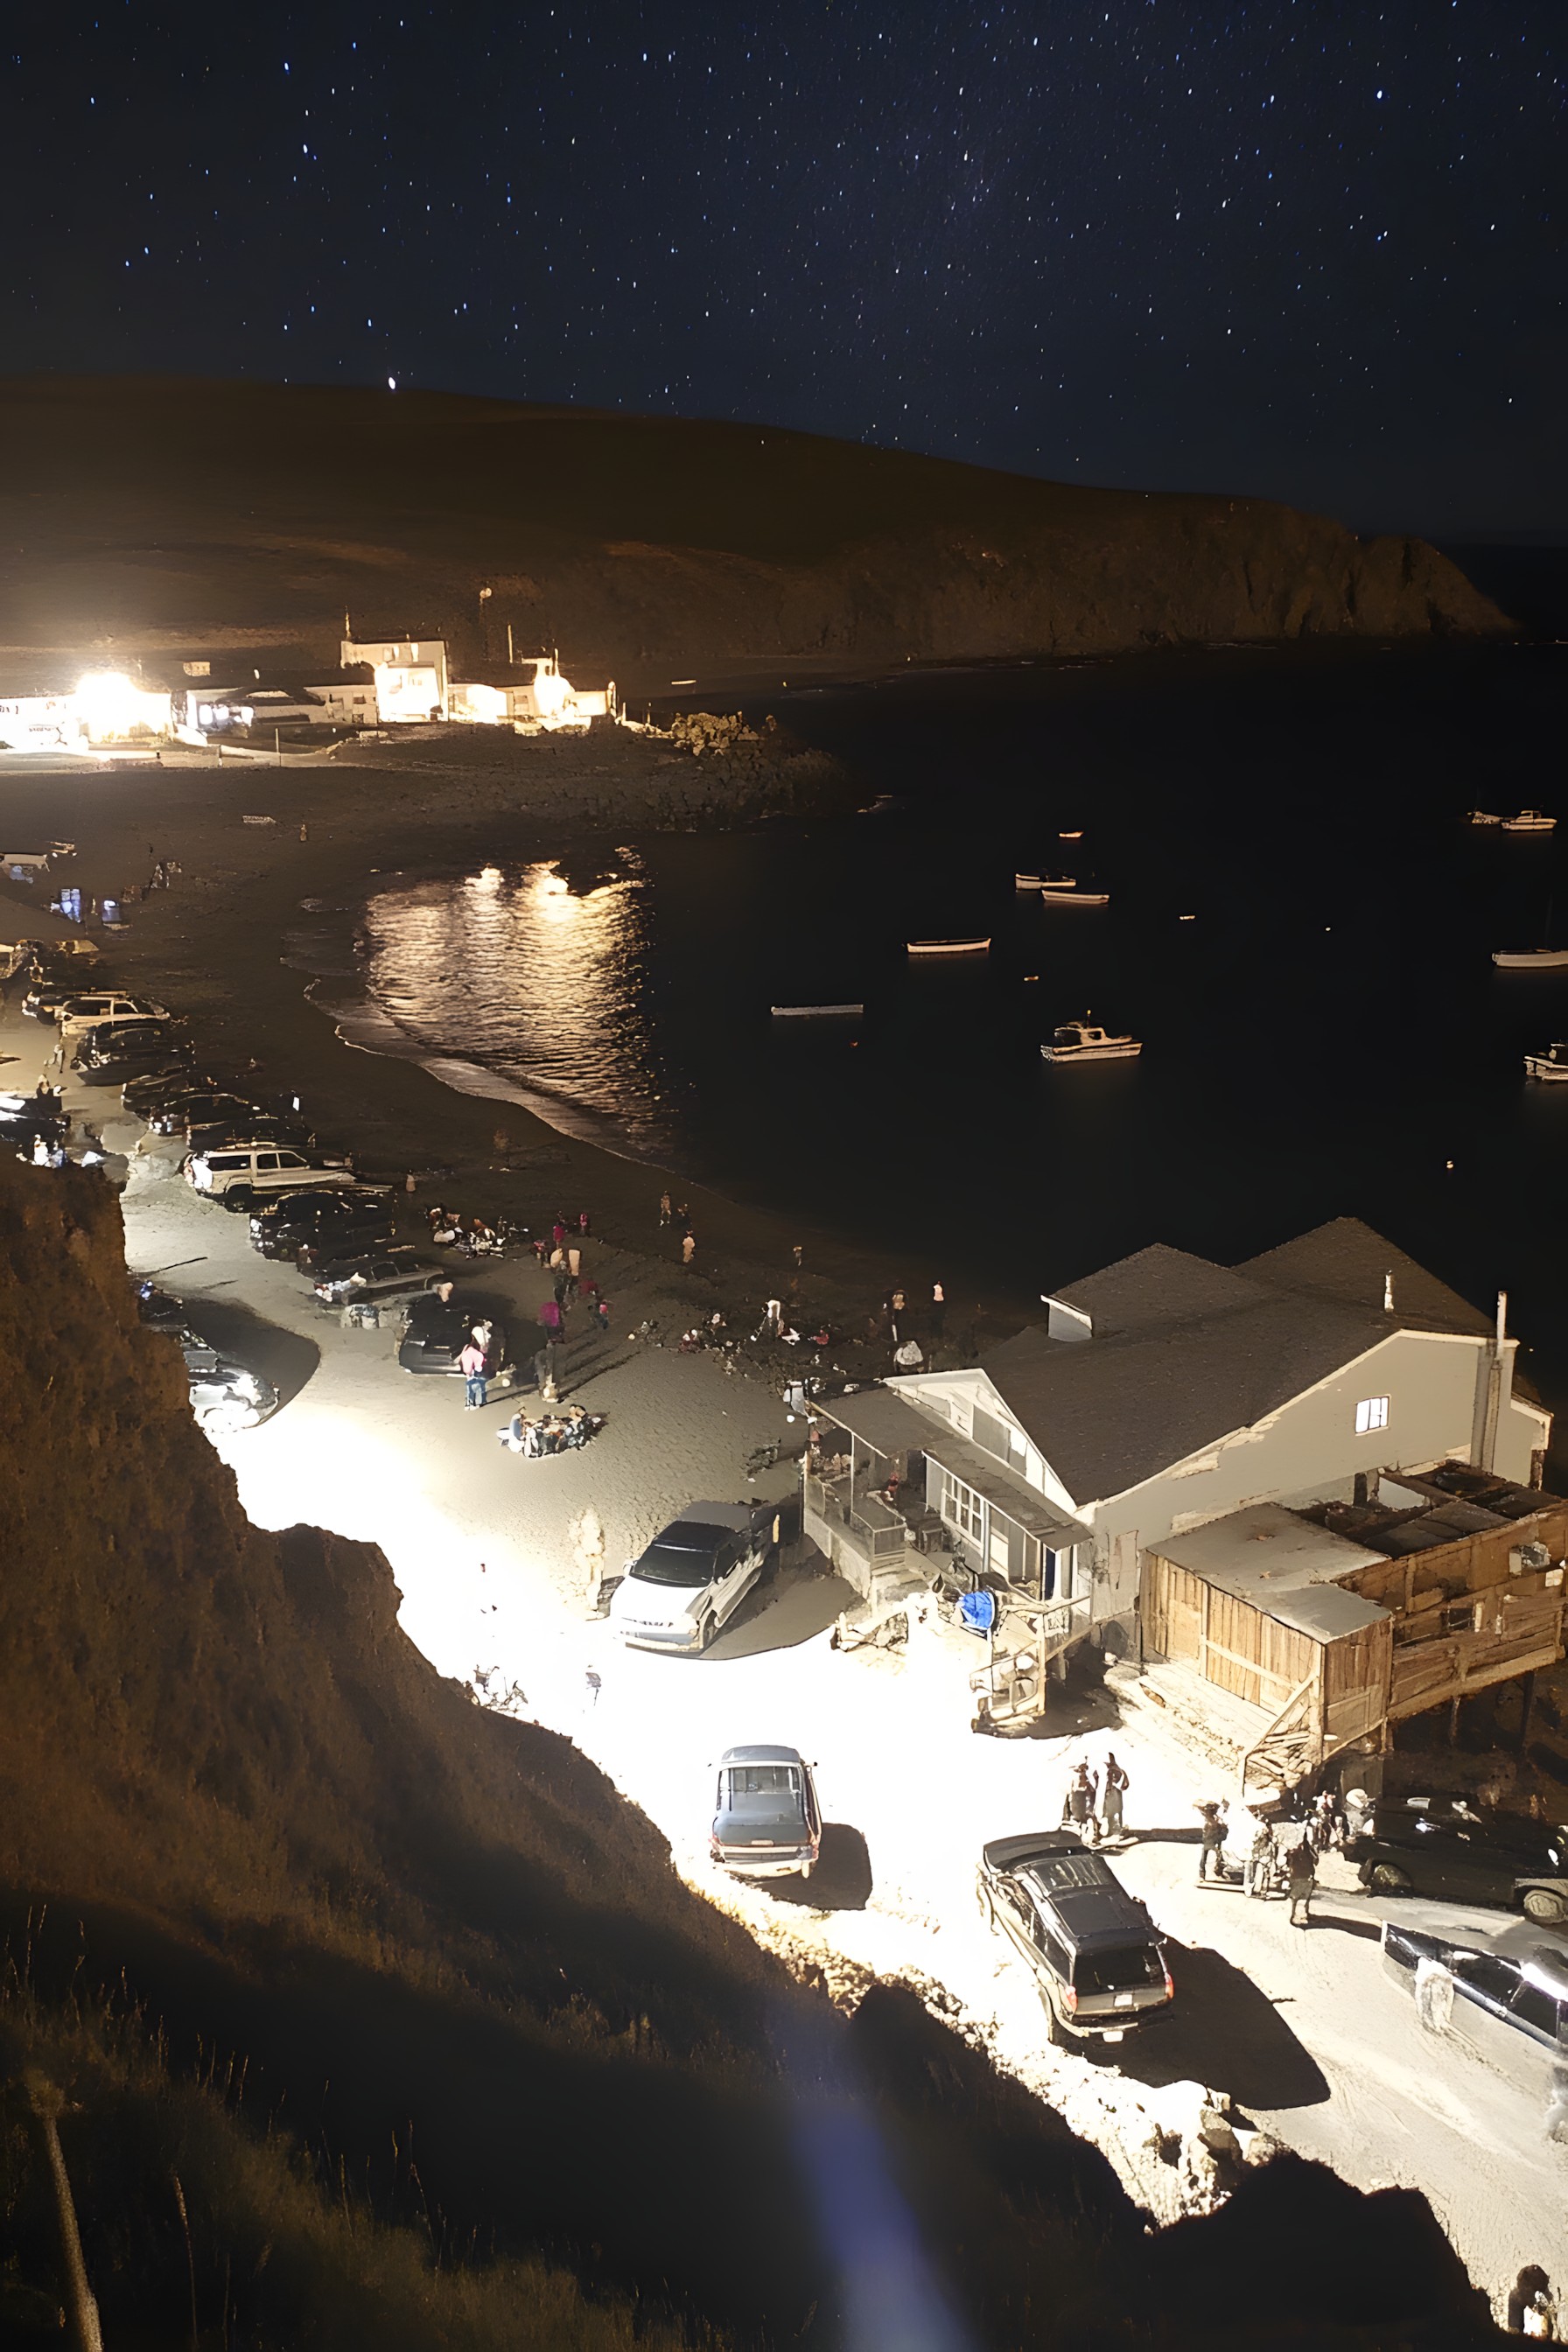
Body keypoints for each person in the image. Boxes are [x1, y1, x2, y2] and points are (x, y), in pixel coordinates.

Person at [1244, 1812, 1276, 1898]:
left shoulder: (1261, 1831)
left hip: (1261, 1856)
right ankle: (1260, 1891)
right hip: (1263, 1856)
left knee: (1259, 1875)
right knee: (1262, 1875)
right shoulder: (1262, 1831)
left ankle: (1259, 1891)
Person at [1062, 1760, 1097, 1838]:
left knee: (1083, 1817)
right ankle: (1082, 1832)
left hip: (1083, 1798)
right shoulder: (1076, 1779)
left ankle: (1088, 1832)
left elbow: (1091, 1790)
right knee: (1080, 1817)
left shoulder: (1087, 1779)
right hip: (1078, 1797)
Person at [1286, 1838, 1316, 1927]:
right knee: (1299, 1897)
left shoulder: (1297, 1852)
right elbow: (1316, 1860)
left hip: (1304, 1876)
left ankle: (1300, 1915)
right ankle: (1297, 1916)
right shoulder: (1305, 1851)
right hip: (1301, 1877)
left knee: (1299, 1898)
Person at [1099, 1753, 1129, 1839]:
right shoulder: (1117, 1769)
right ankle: (1114, 1831)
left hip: (1113, 1793)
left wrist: (1109, 1790)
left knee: (1112, 1812)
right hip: (1116, 1793)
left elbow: (1113, 1782)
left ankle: (1114, 1832)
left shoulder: (1113, 1770)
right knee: (1116, 1811)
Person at [1196, 1801, 1227, 1882]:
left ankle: (1218, 1872)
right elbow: (1205, 1832)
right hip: (1209, 1840)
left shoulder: (1215, 1819)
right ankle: (1202, 1875)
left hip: (1214, 1840)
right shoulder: (1208, 1820)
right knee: (1204, 1858)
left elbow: (1221, 1830)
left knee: (1219, 1856)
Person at [458, 1333, 488, 1411]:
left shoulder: (467, 1347)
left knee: (469, 1387)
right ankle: (472, 1404)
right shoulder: (477, 1353)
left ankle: (468, 1404)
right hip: (473, 1371)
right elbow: (479, 1364)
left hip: (467, 1369)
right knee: (474, 1387)